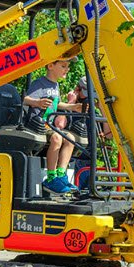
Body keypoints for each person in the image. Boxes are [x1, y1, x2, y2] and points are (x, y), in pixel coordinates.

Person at [23, 59, 82, 195]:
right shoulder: (39, 83)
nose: (67, 69)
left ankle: (61, 175)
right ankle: (50, 178)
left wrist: (73, 106)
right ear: (50, 66)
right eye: (63, 66)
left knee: (70, 138)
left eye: (68, 66)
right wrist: (37, 102)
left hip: (49, 125)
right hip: (38, 124)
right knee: (57, 138)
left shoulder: (55, 85)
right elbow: (25, 99)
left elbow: (57, 104)